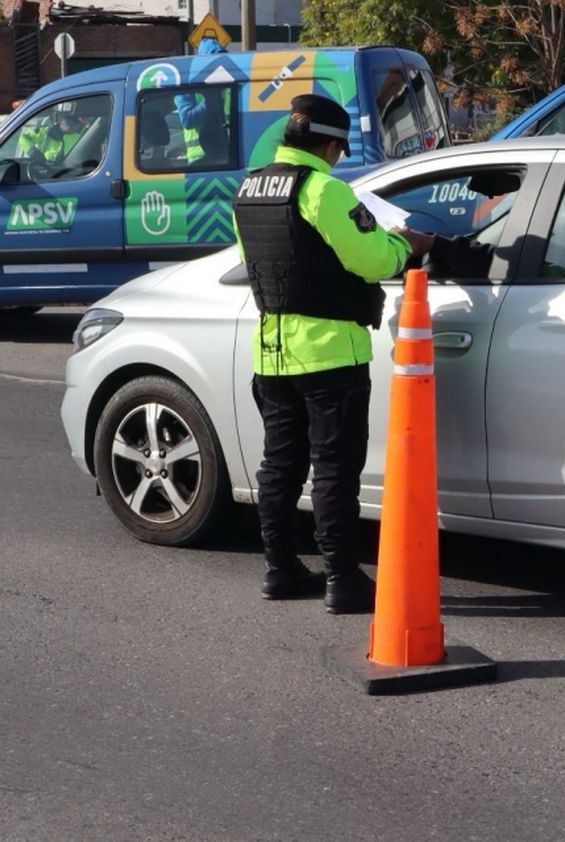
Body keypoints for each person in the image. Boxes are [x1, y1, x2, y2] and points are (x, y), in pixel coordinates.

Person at [232, 94, 411, 611]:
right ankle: (343, 579)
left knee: (280, 465)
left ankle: (279, 569)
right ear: (331, 145)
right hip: (330, 355)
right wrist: (405, 246)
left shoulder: (249, 188)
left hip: (270, 354)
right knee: (334, 468)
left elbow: (254, 261)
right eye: (339, 149)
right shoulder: (323, 189)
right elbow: (372, 258)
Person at [176, 37, 230, 165]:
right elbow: (187, 120)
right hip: (200, 163)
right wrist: (213, 96)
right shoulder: (187, 85)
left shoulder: (230, 87)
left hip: (228, 158)